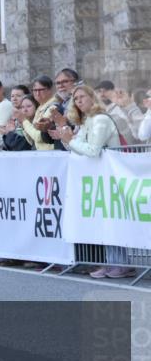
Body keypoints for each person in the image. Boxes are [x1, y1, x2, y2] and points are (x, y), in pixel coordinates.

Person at [57, 85, 128, 278]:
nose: (78, 101)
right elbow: (77, 147)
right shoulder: (88, 120)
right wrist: (66, 139)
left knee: (114, 219)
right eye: (75, 98)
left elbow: (92, 150)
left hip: (112, 176)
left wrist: (70, 140)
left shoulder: (101, 119)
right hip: (99, 177)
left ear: (92, 98)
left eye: (82, 97)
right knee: (103, 219)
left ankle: (121, 263)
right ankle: (108, 262)